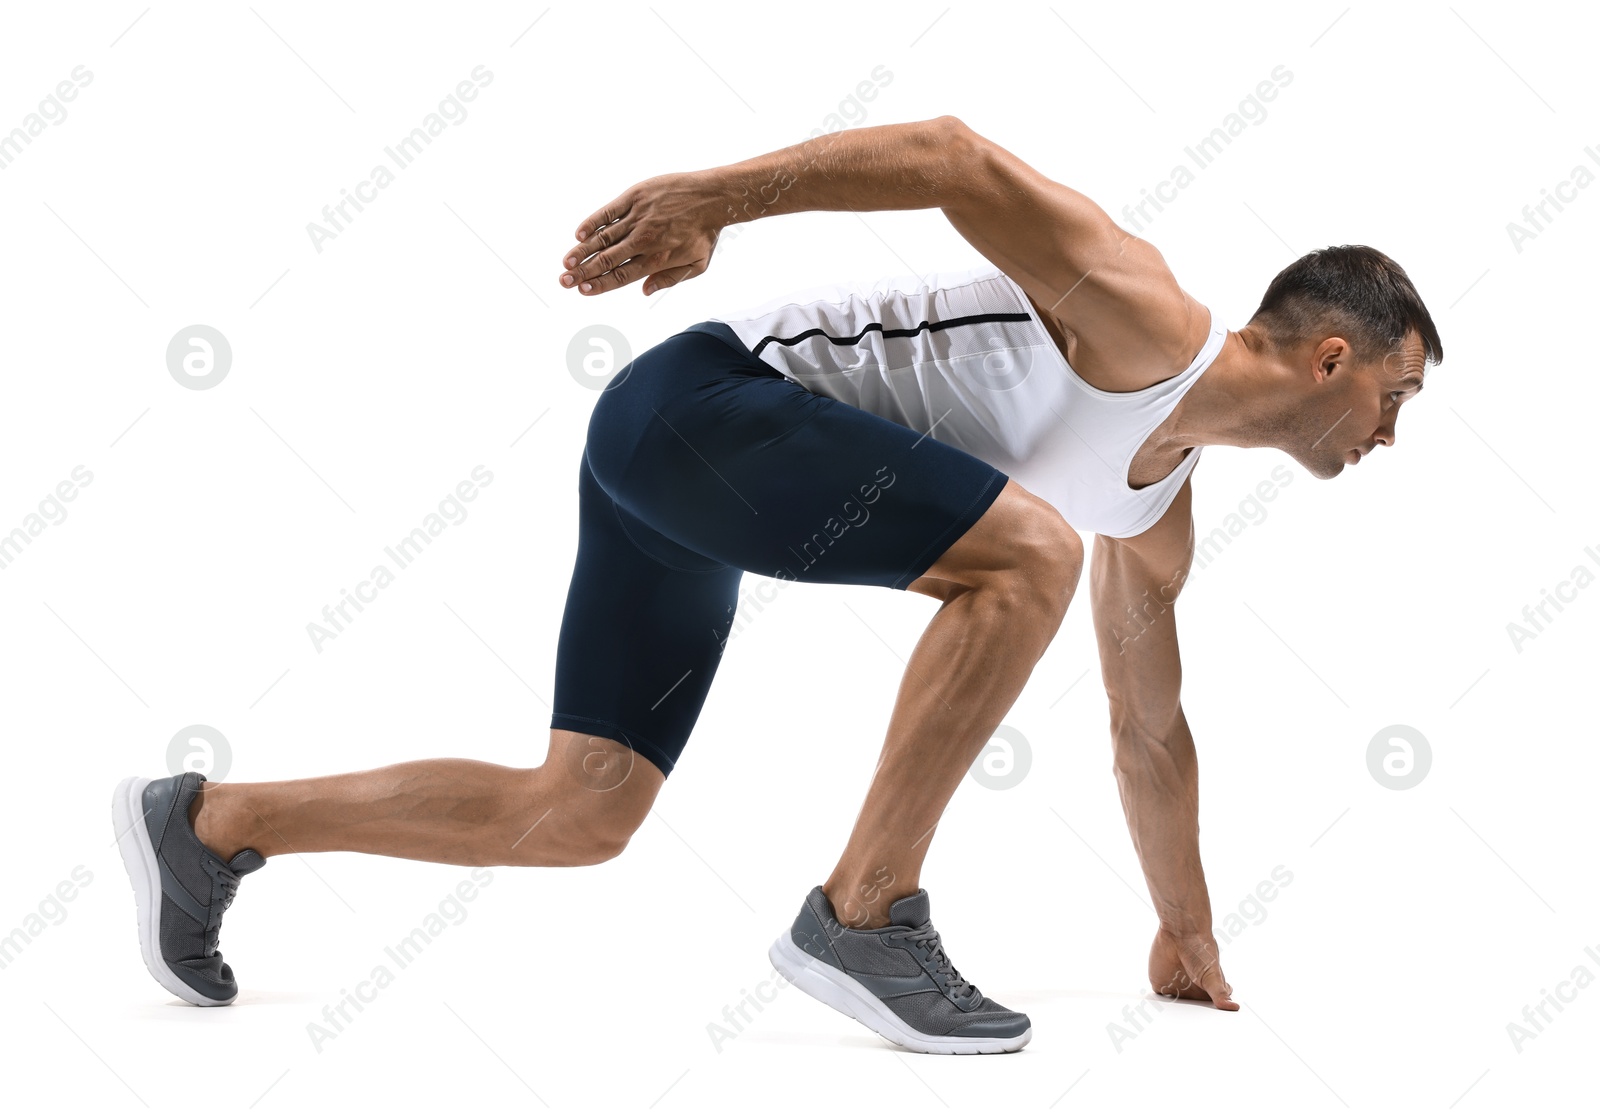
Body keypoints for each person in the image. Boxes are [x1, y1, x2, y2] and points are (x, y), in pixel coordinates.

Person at [114, 115, 1441, 1055]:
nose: (1391, 434)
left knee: (581, 812)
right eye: (1396, 397)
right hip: (695, 407)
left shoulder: (1158, 519)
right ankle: (864, 915)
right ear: (1332, 359)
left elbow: (1149, 728)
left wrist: (1186, 930)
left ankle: (211, 821)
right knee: (1026, 549)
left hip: (704, 481)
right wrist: (713, 198)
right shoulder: (1143, 307)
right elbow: (952, 156)